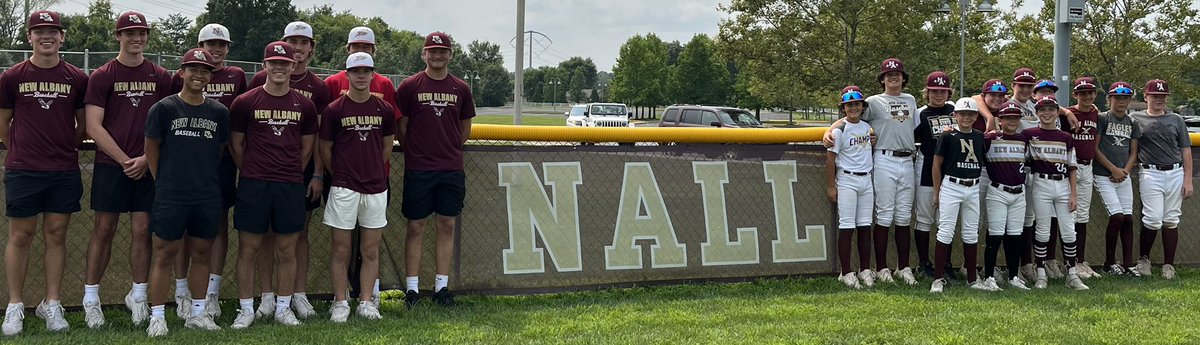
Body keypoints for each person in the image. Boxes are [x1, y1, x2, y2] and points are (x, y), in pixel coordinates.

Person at [81, 10, 172, 328]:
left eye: (142, 32)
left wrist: (146, 160)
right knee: (103, 230)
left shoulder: (160, 76)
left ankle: (138, 295)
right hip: (111, 165)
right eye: (130, 32)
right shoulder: (103, 75)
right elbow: (93, 125)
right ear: (118, 36)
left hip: (147, 167)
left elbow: (166, 125)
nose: (137, 38)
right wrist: (124, 161)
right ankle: (91, 298)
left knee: (142, 231)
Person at [0, 10, 87, 336]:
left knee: (56, 235)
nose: (46, 36)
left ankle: (52, 303)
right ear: (29, 36)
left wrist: (64, 148)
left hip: (63, 169)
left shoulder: (77, 78)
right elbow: (3, 124)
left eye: (52, 30)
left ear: (62, 37)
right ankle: (15, 306)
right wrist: (22, 150)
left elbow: (81, 125)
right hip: (24, 169)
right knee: (20, 236)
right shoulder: (12, 76)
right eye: (39, 30)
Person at [228, 41, 318, 329]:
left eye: (285, 63)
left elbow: (306, 148)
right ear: (264, 65)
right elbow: (236, 144)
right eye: (273, 62)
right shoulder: (245, 101)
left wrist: (289, 171)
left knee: (286, 249)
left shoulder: (304, 104)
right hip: (254, 184)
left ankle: (282, 307)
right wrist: (253, 170)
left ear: (294, 66)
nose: (279, 67)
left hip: (290, 185)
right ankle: (245, 309)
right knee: (249, 248)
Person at [143, 48, 229, 337]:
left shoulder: (218, 112)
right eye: (192, 68)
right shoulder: (164, 108)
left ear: (210, 77)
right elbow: (151, 149)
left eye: (204, 70)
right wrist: (163, 182)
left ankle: (198, 313)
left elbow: (218, 150)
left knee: (202, 253)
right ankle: (157, 316)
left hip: (205, 194)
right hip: (171, 194)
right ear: (181, 72)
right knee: (165, 254)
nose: (198, 74)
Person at [248, 21, 330, 320]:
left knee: (298, 233)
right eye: (292, 40)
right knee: (266, 234)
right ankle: (268, 296)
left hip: (301, 170)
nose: (297, 47)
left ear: (311, 48)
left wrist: (318, 173)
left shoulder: (318, 87)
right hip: (263, 169)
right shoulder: (260, 78)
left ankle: (298, 294)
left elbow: (320, 134)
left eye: (303, 42)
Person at [168, 22, 248, 319]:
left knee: (217, 225)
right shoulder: (188, 70)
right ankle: (182, 291)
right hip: (187, 160)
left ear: (228, 48)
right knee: (183, 227)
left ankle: (211, 292)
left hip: (221, 162)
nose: (215, 49)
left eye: (221, 45)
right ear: (200, 45)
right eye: (210, 43)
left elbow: (242, 118)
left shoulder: (237, 75)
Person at [821, 58, 919, 286]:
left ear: (903, 78)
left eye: (897, 74)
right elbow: (849, 119)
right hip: (883, 159)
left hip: (907, 159)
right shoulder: (873, 101)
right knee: (883, 216)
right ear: (882, 78)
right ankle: (881, 267)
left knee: (904, 216)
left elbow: (909, 127)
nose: (893, 77)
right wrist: (830, 129)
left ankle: (903, 268)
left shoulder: (910, 99)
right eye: (888, 74)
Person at [396, 31, 476, 308]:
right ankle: (413, 290)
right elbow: (402, 127)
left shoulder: (461, 88)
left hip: (450, 167)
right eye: (432, 51)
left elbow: (465, 129)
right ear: (424, 54)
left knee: (447, 224)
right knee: (416, 225)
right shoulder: (410, 86)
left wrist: (449, 149)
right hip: (419, 168)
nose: (438, 55)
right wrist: (416, 152)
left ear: (451, 54)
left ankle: (441, 287)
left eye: (443, 51)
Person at [323, 25, 397, 306]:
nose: (362, 76)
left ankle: (366, 301)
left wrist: (372, 171)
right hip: (343, 186)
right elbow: (325, 148)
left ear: (373, 73)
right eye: (356, 71)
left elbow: (387, 146)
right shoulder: (334, 109)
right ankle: (340, 302)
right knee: (341, 250)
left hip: (375, 186)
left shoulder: (384, 109)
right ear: (348, 73)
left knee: (370, 249)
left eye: (367, 71)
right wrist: (340, 173)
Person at [1023, 95, 1088, 290]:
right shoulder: (1029, 134)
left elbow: (1072, 167)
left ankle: (1072, 274)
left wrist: (1074, 195)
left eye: (1051, 109)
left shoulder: (1065, 137)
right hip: (1040, 184)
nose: (1047, 113)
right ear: (1036, 113)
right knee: (1042, 229)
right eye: (1042, 109)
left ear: (1057, 112)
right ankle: (1041, 274)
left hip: (1063, 186)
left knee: (1069, 231)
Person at [1130, 79, 1192, 279]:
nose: (1159, 99)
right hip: (1150, 171)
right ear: (1146, 96)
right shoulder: (1135, 117)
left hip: (1175, 171)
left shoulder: (1176, 119)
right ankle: (1144, 259)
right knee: (1153, 218)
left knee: (1171, 218)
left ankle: (1168, 265)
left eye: (1162, 96)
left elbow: (1186, 150)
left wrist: (1188, 179)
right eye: (1155, 95)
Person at [929, 98, 988, 293]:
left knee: (971, 232)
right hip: (952, 185)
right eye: (962, 113)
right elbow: (936, 165)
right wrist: (937, 192)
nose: (966, 117)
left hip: (972, 186)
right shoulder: (947, 136)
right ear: (955, 115)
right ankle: (938, 278)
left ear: (976, 116)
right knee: (945, 230)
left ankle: (972, 278)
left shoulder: (980, 137)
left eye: (970, 114)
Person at [826, 87, 874, 289]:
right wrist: (831, 186)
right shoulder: (839, 130)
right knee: (847, 227)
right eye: (849, 104)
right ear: (843, 108)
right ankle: (845, 271)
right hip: (847, 180)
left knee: (864, 226)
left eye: (857, 104)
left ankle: (864, 269)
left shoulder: (867, 127)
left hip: (866, 180)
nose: (854, 107)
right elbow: (830, 160)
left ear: (863, 106)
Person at [982, 101, 1031, 290]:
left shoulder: (1023, 139)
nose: (1011, 121)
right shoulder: (990, 139)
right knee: (995, 236)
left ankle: (1013, 277)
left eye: (1015, 118)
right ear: (999, 120)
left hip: (1019, 192)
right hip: (998, 191)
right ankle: (988, 278)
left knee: (1015, 236)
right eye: (1007, 118)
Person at [911, 71, 954, 282]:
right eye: (934, 91)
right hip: (926, 167)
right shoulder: (919, 113)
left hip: (951, 171)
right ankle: (923, 263)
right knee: (925, 218)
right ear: (926, 92)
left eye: (943, 91)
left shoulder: (956, 109)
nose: (939, 94)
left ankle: (945, 263)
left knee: (945, 220)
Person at [1094, 81, 1140, 276]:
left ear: (1129, 100)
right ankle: (1109, 262)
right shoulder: (1102, 119)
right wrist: (1113, 169)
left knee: (1128, 219)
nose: (1121, 101)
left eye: (1125, 98)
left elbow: (1133, 151)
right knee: (1117, 216)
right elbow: (1094, 149)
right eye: (1117, 97)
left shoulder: (1132, 122)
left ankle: (1128, 264)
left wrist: (1125, 171)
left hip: (1123, 175)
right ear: (1109, 99)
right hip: (1104, 174)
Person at [1066, 77, 1102, 278]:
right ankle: (1069, 262)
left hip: (1087, 167)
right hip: (1071, 166)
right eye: (1082, 93)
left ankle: (1080, 260)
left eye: (1090, 92)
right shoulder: (1069, 113)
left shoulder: (1097, 113)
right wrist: (1067, 111)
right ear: (1075, 95)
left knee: (1083, 216)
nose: (1087, 96)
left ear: (1095, 94)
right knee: (1068, 214)